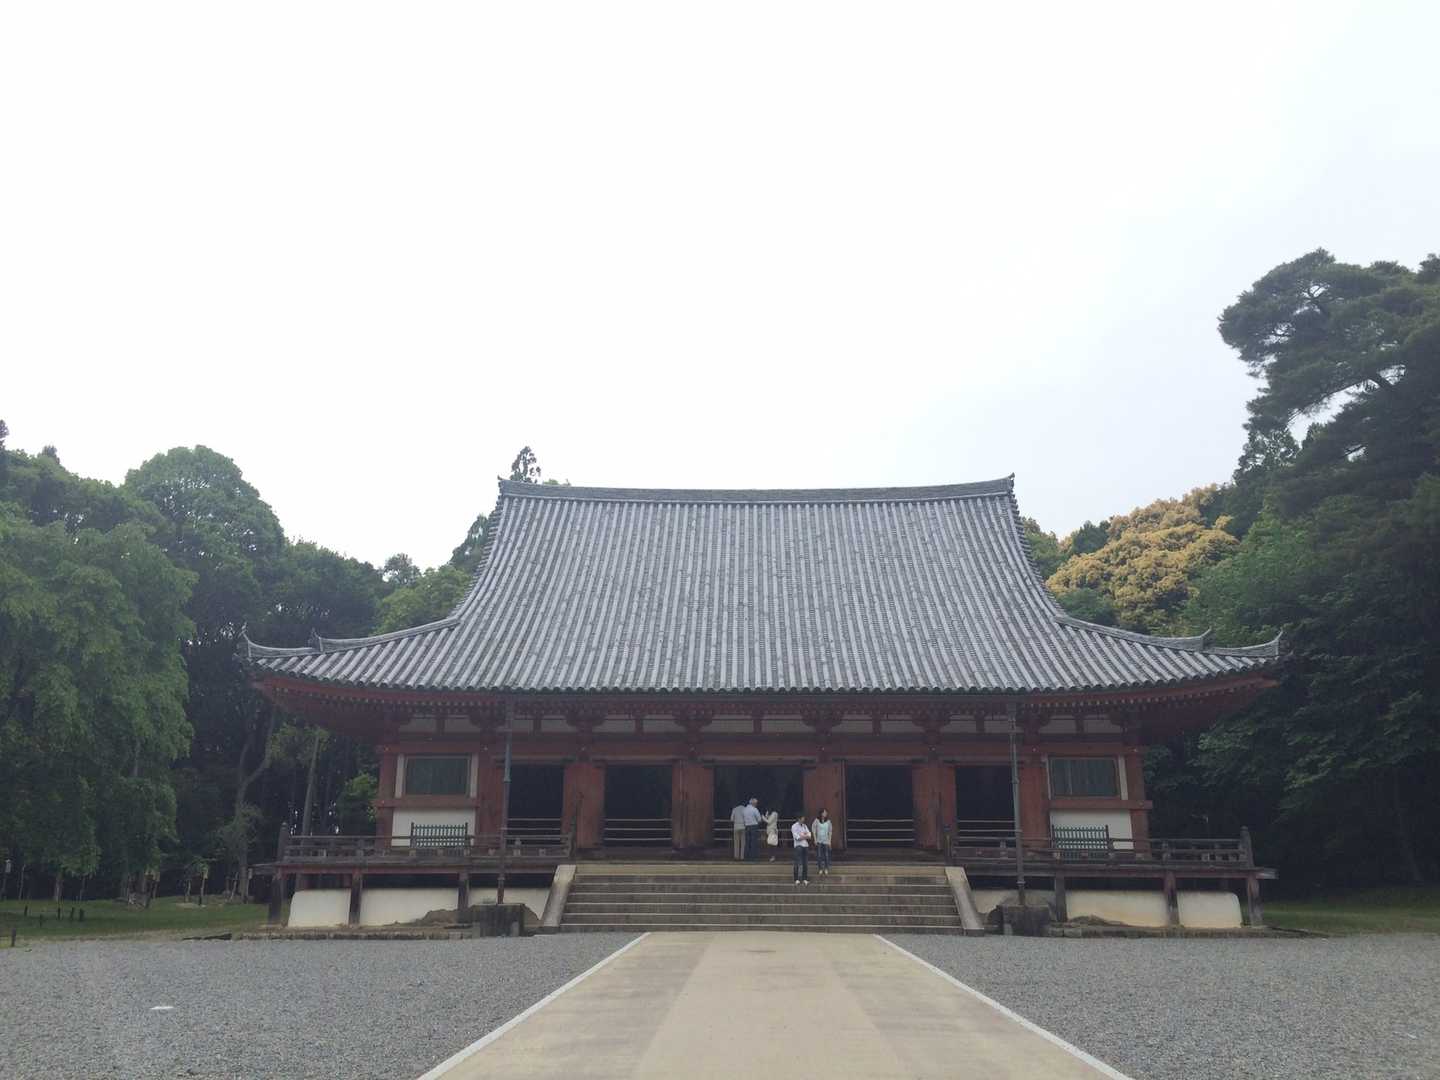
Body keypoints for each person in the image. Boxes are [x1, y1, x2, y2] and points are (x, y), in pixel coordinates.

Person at [791, 813, 812, 884]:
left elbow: (809, 835)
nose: (804, 819)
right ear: (799, 818)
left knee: (805, 863)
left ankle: (804, 878)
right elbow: (797, 837)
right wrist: (805, 835)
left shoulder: (804, 826)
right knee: (797, 862)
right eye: (803, 818)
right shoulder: (794, 826)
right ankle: (796, 879)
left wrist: (803, 835)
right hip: (798, 846)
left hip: (805, 845)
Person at [812, 808, 833, 876]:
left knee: (826, 855)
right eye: (824, 812)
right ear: (821, 813)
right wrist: (815, 839)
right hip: (819, 840)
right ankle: (820, 869)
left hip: (826, 840)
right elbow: (813, 829)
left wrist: (829, 841)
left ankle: (826, 868)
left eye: (826, 812)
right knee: (819, 855)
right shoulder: (816, 820)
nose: (825, 814)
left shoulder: (828, 821)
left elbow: (830, 832)